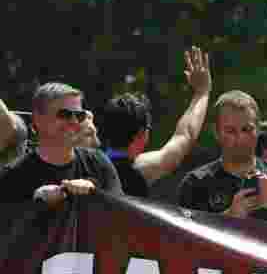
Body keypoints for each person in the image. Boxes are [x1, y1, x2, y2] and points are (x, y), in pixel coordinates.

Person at [177, 90, 267, 229]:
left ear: (258, 129)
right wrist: (230, 216)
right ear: (217, 133)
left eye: (246, 129)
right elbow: (185, 240)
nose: (239, 138)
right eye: (230, 131)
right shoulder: (196, 182)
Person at [101, 47, 212, 198]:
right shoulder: (141, 169)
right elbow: (185, 135)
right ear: (142, 134)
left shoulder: (86, 165)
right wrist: (202, 91)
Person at [0, 82, 121, 211]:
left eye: (79, 116)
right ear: (38, 119)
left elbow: (122, 213)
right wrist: (36, 201)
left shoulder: (98, 163)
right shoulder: (12, 176)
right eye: (65, 114)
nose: (74, 122)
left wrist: (94, 191)